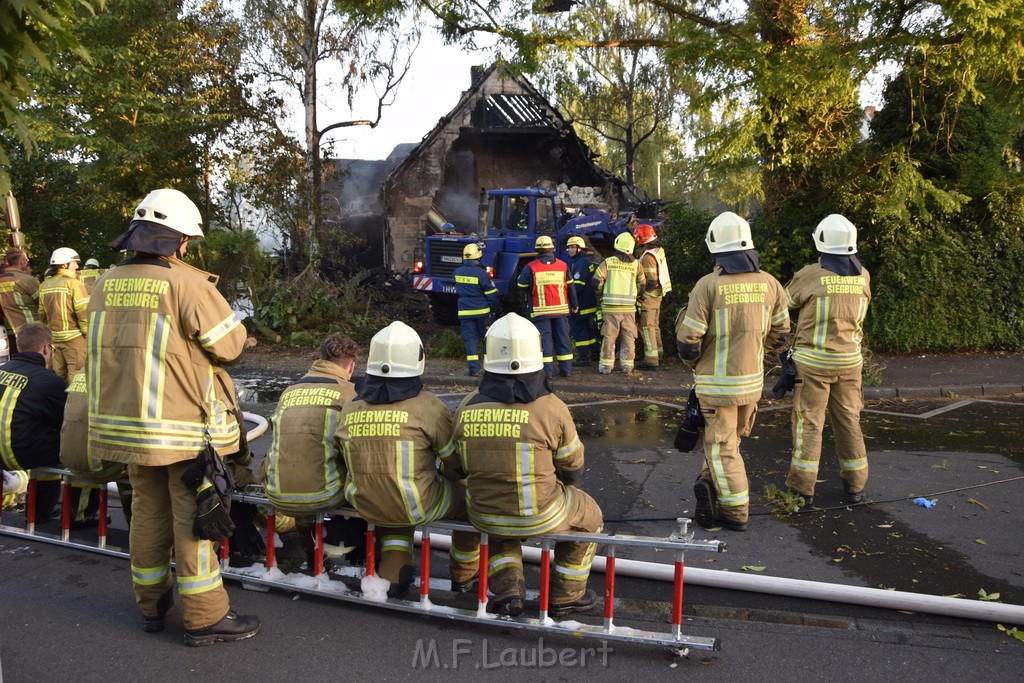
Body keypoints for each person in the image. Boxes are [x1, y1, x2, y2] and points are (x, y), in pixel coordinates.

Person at [86, 188, 259, 646]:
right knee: (195, 518)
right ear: (179, 240)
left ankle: (151, 603)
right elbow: (229, 346)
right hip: (183, 430)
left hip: (128, 428)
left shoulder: (104, 282)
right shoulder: (186, 284)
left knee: (146, 513)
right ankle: (204, 616)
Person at [452, 313, 603, 617]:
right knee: (590, 516)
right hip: (541, 512)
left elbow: (457, 466)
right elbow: (573, 468)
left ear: (488, 356)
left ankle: (508, 590)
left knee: (499, 530)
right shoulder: (552, 408)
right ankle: (566, 595)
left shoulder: (466, 406)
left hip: (484, 513)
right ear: (537, 354)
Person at [335, 321, 480, 597]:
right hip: (415, 504)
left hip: (363, 501)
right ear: (417, 360)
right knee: (471, 502)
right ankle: (464, 574)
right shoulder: (428, 405)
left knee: (393, 499)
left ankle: (395, 570)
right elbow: (454, 462)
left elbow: (339, 451)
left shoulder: (351, 405)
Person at [676, 212, 789, 532]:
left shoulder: (707, 285)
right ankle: (707, 481)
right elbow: (782, 335)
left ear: (716, 249)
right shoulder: (771, 284)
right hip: (751, 384)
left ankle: (735, 511)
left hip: (716, 386)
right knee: (729, 441)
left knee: (722, 447)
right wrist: (756, 354)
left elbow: (687, 340)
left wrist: (695, 364)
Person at [783, 214, 872, 505]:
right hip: (850, 363)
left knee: (809, 423)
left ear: (821, 241)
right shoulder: (863, 275)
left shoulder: (811, 274)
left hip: (813, 365)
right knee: (848, 421)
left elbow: (786, 302)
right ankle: (856, 486)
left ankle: (801, 489)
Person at [260, 333, 357, 516]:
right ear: (351, 367)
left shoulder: (289, 392)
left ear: (320, 359)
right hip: (326, 496)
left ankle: (305, 531)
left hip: (277, 494)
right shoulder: (350, 394)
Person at [0, 323, 68, 516]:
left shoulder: (2, 370)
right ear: (46, 348)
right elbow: (64, 422)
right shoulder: (49, 380)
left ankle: (36, 509)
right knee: (65, 443)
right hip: (21, 454)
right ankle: (42, 511)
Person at [516, 236, 576, 378]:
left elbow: (521, 287)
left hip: (540, 312)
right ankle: (566, 370)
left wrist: (524, 308)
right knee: (563, 340)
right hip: (561, 311)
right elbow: (571, 288)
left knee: (545, 343)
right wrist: (575, 305)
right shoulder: (563, 265)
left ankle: (547, 373)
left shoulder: (530, 267)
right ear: (552, 248)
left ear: (537, 249)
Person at [593, 232, 646, 375]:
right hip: (629, 309)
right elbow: (643, 286)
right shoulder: (636, 265)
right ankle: (628, 367)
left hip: (610, 308)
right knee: (629, 337)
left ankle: (606, 367)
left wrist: (600, 294)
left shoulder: (608, 262)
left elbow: (596, 282)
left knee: (609, 336)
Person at [37, 247, 89, 383]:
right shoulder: (74, 284)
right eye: (74, 263)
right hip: (75, 339)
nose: (77, 266)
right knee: (77, 374)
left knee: (57, 374)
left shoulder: (44, 285)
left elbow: (41, 314)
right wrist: (87, 334)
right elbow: (83, 312)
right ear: (65, 265)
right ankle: (73, 403)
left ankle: (57, 403)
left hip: (54, 338)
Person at [454, 243, 498, 377]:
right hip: (481, 311)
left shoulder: (457, 272)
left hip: (465, 312)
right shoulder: (481, 273)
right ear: (478, 256)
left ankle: (473, 370)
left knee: (470, 340)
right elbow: (491, 294)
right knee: (487, 339)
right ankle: (491, 368)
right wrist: (496, 308)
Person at [634, 223, 673, 371]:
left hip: (649, 297)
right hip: (658, 296)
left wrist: (640, 295)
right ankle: (659, 354)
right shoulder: (659, 251)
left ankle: (651, 360)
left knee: (646, 327)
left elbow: (651, 280)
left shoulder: (648, 256)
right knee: (654, 326)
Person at [564, 236, 599, 366]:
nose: (569, 250)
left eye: (572, 247)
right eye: (568, 247)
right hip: (587, 302)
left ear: (579, 248)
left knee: (579, 329)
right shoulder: (581, 261)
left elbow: (577, 285)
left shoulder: (581, 263)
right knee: (588, 329)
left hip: (580, 304)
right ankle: (595, 352)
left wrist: (568, 298)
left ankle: (584, 357)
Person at [0, 248, 40, 349]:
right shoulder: (27, 280)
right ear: (22, 261)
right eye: (26, 260)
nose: (27, 262)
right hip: (32, 331)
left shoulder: (1, 281)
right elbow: (43, 302)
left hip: (10, 332)